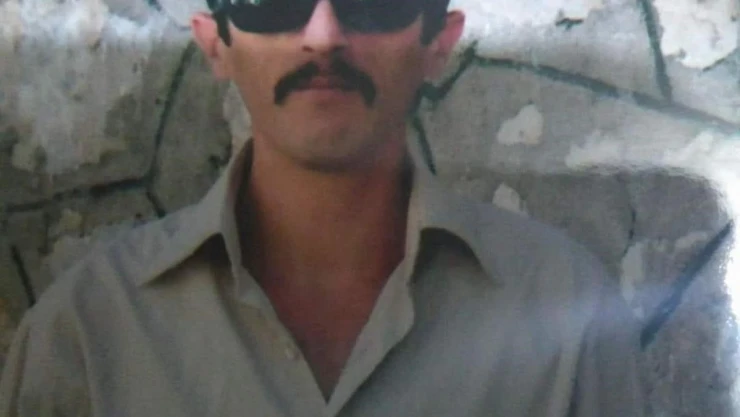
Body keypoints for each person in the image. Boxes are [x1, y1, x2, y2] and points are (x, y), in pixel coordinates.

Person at [0, 0, 643, 415]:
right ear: (215, 42)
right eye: (274, 2)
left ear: (440, 41)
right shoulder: (89, 331)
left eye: (373, 2)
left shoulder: (566, 315)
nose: (324, 36)